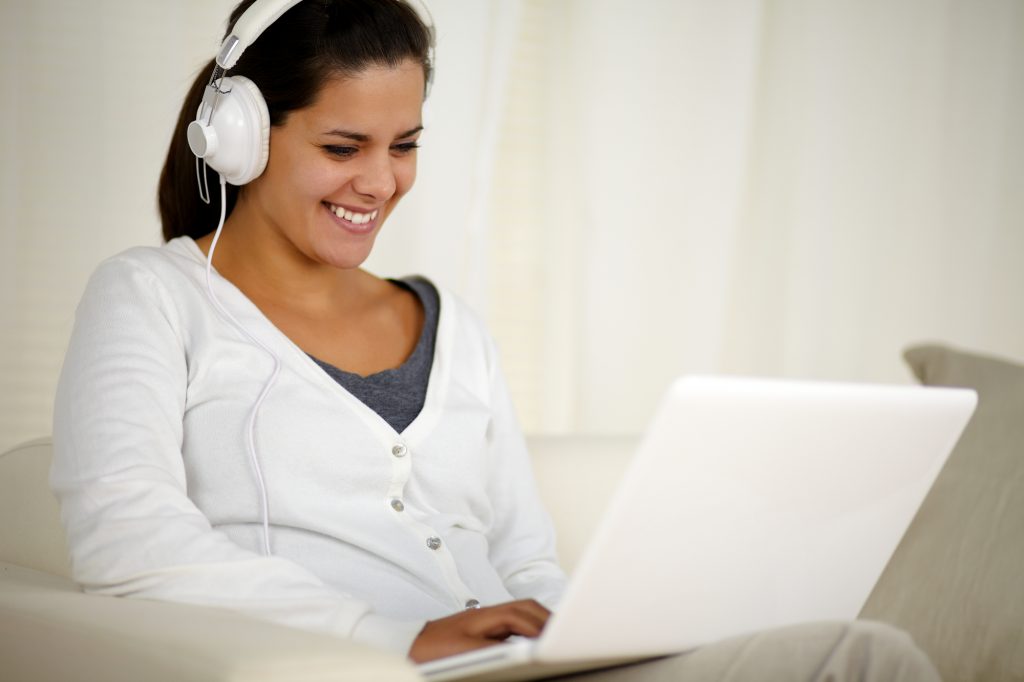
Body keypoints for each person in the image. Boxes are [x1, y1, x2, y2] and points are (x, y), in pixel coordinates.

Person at [51, 0, 941, 678]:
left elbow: (523, 553)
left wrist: (571, 635)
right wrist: (399, 639)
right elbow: (125, 540)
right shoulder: (152, 297)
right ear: (239, 137)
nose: (380, 180)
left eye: (405, 144)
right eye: (343, 144)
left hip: (531, 671)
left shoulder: (457, 329)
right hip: (372, 669)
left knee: (864, 650)